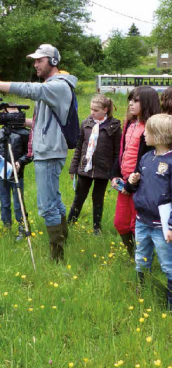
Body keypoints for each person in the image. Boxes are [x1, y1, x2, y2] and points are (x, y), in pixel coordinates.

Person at [0, 44, 77, 261]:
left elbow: (28, 89)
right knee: (54, 199)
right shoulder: (51, 86)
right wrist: (18, 120)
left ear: (53, 61)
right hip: (48, 149)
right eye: (34, 60)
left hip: (49, 151)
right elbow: (42, 122)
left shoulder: (59, 86)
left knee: (46, 207)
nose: (35, 64)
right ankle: (64, 238)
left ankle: (57, 257)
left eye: (39, 60)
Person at [127, 114, 172, 310]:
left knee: (167, 263)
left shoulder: (170, 162)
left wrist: (170, 225)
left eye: (148, 131)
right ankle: (141, 290)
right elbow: (136, 187)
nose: (143, 134)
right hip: (142, 220)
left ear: (160, 135)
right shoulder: (146, 157)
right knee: (141, 256)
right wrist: (131, 182)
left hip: (162, 226)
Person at [111, 86, 160, 258]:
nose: (131, 103)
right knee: (120, 223)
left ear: (147, 103)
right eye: (130, 100)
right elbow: (122, 152)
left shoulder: (152, 129)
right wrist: (115, 174)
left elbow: (147, 161)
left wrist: (132, 185)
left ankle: (142, 260)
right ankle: (133, 256)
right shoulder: (130, 124)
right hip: (124, 184)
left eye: (136, 100)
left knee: (136, 224)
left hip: (141, 187)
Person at [68, 94, 122, 234]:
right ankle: (69, 224)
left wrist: (115, 173)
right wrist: (73, 168)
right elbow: (79, 147)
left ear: (105, 109)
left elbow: (118, 152)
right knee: (79, 197)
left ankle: (97, 229)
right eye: (91, 109)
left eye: (96, 110)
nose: (92, 112)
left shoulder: (115, 126)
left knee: (98, 199)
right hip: (85, 168)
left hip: (103, 170)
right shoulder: (86, 123)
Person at [0, 107, 31, 240]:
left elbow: (30, 154)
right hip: (1, 172)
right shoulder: (0, 132)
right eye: (6, 113)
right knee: (4, 202)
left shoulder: (24, 133)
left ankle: (22, 227)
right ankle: (6, 226)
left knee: (18, 202)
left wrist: (20, 162)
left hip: (17, 173)